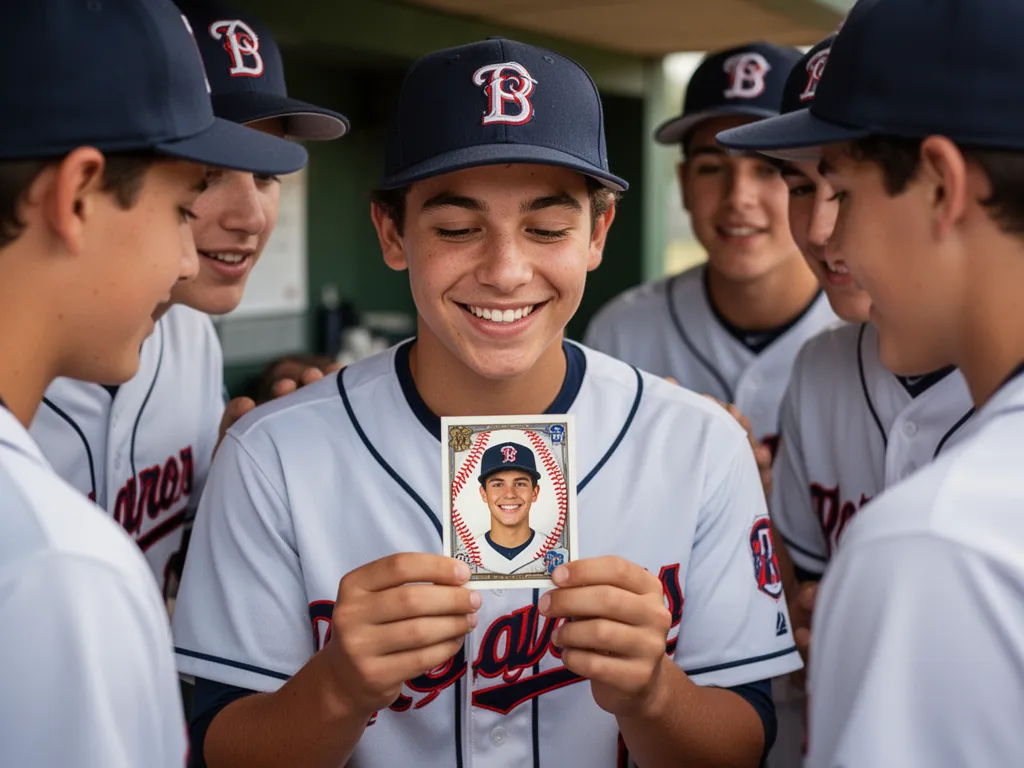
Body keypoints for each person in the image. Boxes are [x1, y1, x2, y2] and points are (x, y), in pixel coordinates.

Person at [172, 37, 801, 768]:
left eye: (546, 228)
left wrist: (655, 693)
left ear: (597, 233)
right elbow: (222, 747)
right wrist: (337, 687)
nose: (506, 271)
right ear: (391, 232)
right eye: (457, 228)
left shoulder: (697, 444)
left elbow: (746, 742)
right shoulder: (273, 453)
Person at [717, 0, 1024, 764]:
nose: (827, 235)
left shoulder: (941, 540)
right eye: (804, 189)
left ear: (944, 186)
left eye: (845, 191)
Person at [0, 0, 305, 765]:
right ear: (75, 195)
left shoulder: (188, 345)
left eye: (265, 174)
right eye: (190, 194)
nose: (189, 252)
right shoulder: (55, 564)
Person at [28, 0, 348, 603]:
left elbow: (174, 575)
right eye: (205, 174)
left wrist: (237, 481)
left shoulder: (191, 335)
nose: (251, 216)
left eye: (266, 176)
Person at [585, 42, 836, 457]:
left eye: (769, 167)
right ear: (683, 183)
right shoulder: (622, 332)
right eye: (712, 167)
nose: (738, 197)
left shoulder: (869, 329)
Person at [473, 442, 547, 574]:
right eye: (497, 485)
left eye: (520, 484)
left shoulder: (555, 551)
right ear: (484, 494)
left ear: (534, 493)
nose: (510, 494)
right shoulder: (465, 555)